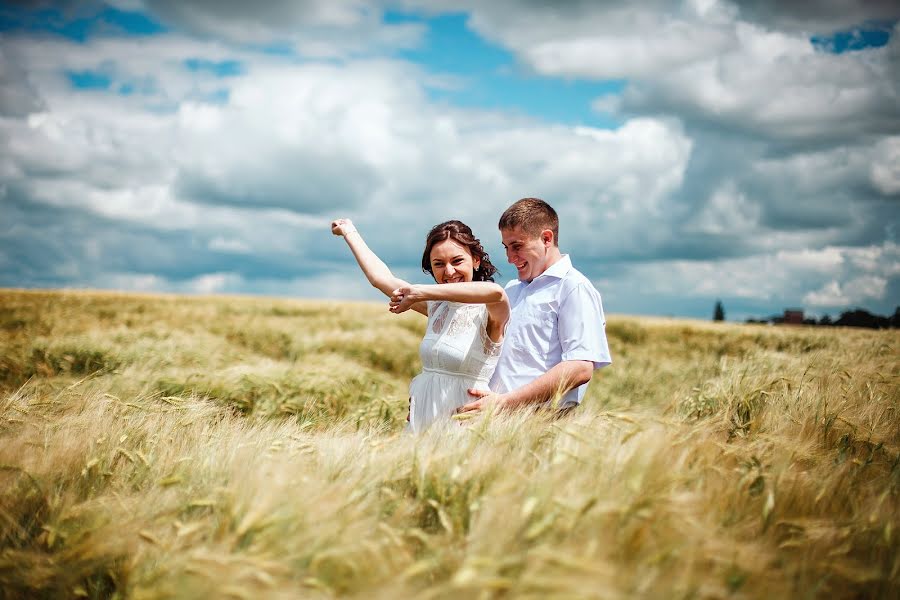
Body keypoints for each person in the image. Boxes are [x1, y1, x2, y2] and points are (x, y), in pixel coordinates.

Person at [331, 218, 510, 432]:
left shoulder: (489, 311)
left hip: (463, 426)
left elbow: (496, 293)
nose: (449, 271)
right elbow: (380, 278)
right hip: (422, 421)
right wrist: (349, 232)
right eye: (439, 264)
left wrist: (419, 293)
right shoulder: (436, 307)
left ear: (476, 260)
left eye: (457, 261)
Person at [457, 198, 611, 416]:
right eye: (506, 247)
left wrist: (505, 402)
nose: (510, 258)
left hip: (543, 421)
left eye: (517, 246)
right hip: (490, 419)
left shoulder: (573, 287)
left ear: (546, 238)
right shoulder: (511, 290)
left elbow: (580, 367)